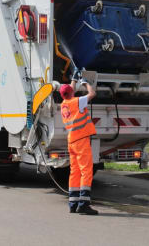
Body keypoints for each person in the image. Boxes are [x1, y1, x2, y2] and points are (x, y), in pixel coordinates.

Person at [59, 69, 98, 215]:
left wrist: (74, 78)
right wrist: (86, 83)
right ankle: (84, 204)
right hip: (81, 140)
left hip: (72, 141)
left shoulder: (64, 104)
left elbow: (70, 90)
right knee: (86, 171)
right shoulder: (77, 102)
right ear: (72, 93)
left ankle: (73, 203)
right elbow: (93, 94)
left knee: (74, 172)